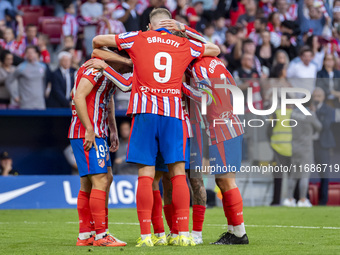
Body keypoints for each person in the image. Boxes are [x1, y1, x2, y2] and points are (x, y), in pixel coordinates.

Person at [89, 8, 220, 247]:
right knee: (179, 174)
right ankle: (182, 234)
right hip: (174, 114)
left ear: (150, 26)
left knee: (147, 176)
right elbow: (215, 49)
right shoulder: (183, 44)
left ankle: (147, 236)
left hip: (145, 113)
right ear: (171, 25)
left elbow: (97, 42)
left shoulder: (137, 37)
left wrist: (127, 60)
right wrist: (184, 30)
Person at [185, 55, 249, 245]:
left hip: (220, 126)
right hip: (231, 121)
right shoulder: (218, 63)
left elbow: (204, 96)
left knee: (226, 181)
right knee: (223, 181)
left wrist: (180, 87)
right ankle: (233, 230)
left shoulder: (198, 68)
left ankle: (239, 234)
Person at [69, 56, 127, 247]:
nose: (126, 66)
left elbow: (106, 99)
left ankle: (86, 235)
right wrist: (89, 129)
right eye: (125, 61)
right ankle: (101, 236)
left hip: (97, 131)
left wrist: (113, 129)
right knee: (100, 180)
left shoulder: (108, 73)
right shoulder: (95, 69)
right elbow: (77, 96)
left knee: (99, 179)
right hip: (88, 133)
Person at [283, 100, 322, 207]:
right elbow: (319, 127)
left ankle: (290, 199)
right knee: (304, 175)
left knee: (293, 175)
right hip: (306, 149)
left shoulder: (293, 114)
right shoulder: (310, 114)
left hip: (294, 147)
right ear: (310, 105)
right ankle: (303, 200)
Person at [313, 87, 337, 205]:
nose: (316, 98)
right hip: (310, 144)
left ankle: (323, 200)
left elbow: (325, 125)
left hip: (323, 144)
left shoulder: (329, 110)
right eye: (314, 96)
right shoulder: (306, 109)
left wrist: (313, 116)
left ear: (323, 97)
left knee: (324, 173)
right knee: (305, 172)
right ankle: (304, 198)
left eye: (318, 96)